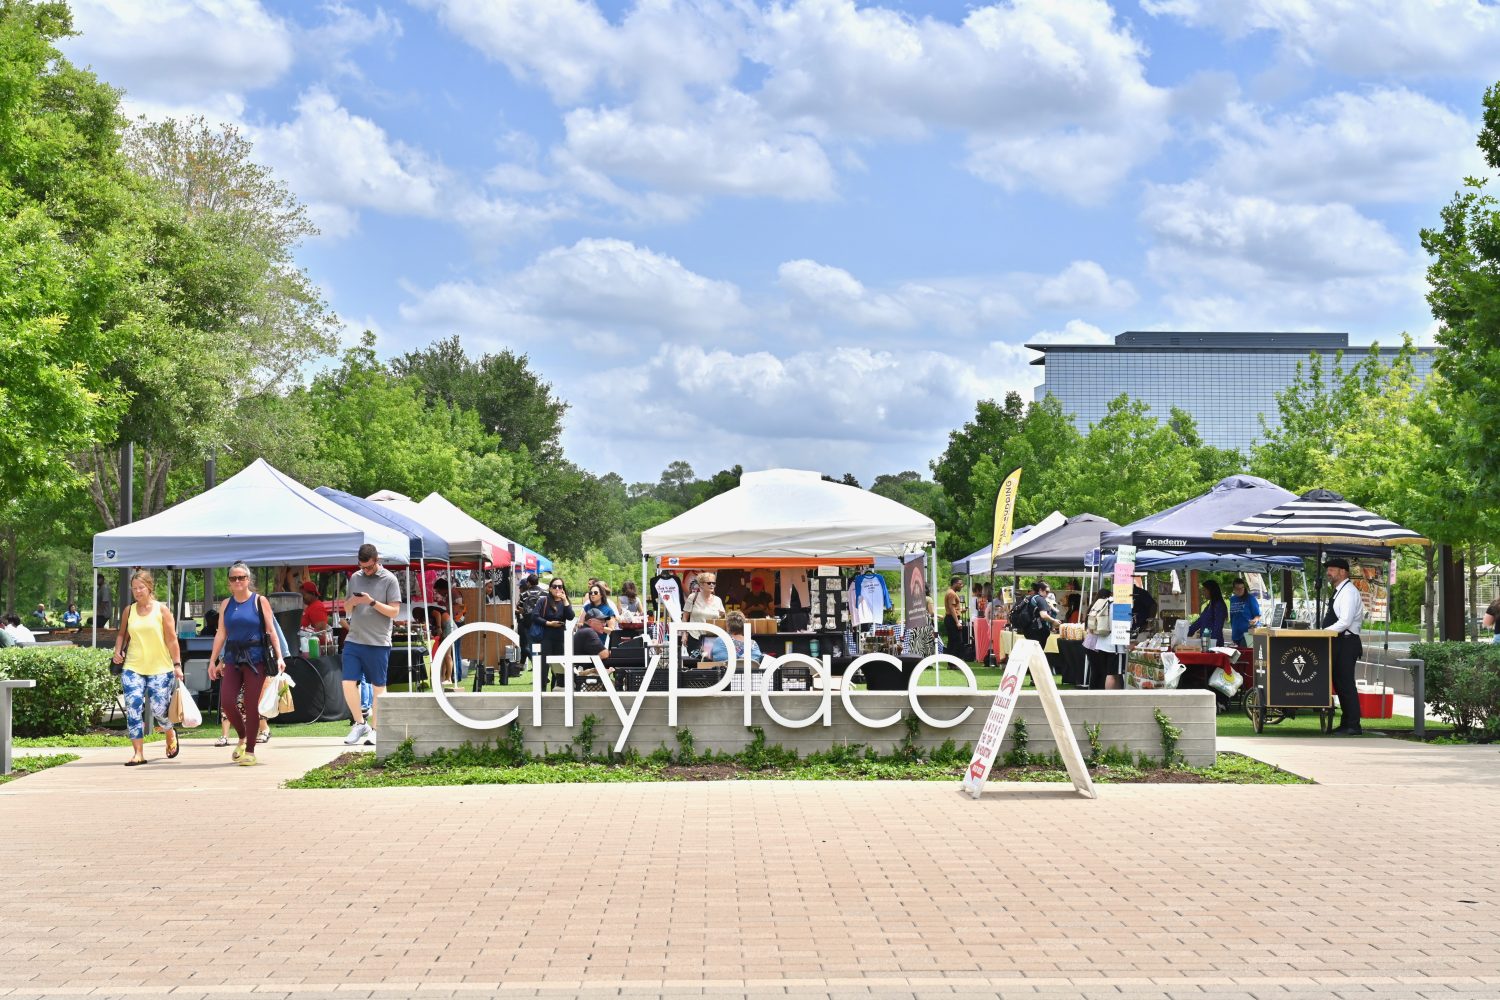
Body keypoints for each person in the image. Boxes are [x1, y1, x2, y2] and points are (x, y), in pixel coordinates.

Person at [207, 562, 286, 766]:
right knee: (226, 701)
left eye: (241, 577)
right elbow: (221, 633)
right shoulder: (226, 604)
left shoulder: (260, 601)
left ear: (248, 580)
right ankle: (242, 736)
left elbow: (271, 631)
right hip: (232, 657)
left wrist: (279, 657)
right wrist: (213, 660)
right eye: (234, 578)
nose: (238, 581)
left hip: (255, 657)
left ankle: (250, 750)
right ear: (229, 583)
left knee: (251, 705)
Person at [108, 570, 183, 767]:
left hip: (160, 667)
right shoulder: (129, 610)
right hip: (133, 667)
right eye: (134, 589)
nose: (138, 592)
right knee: (133, 707)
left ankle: (169, 731)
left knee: (159, 710)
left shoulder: (162, 610)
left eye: (141, 588)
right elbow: (122, 634)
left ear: (150, 588)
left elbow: (172, 639)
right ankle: (138, 753)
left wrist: (177, 664)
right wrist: (118, 651)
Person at [341, 544, 401, 746]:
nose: (365, 571)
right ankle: (359, 723)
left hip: (378, 642)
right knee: (347, 682)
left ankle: (376, 729)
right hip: (354, 639)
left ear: (377, 560)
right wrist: (353, 603)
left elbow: (394, 612)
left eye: (368, 567)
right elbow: (347, 607)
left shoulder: (389, 579)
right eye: (362, 566)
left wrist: (372, 602)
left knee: (378, 687)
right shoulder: (355, 577)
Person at [1322, 557, 1366, 735]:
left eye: (1332, 569)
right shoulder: (1339, 590)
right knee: (1340, 684)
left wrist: (1323, 632)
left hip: (1347, 642)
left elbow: (1345, 621)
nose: (1328, 573)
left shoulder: (1348, 592)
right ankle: (1347, 722)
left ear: (1342, 572)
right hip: (1339, 641)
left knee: (1346, 684)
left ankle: (1353, 725)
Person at [534, 578, 575, 690]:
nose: (557, 589)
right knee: (543, 667)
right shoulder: (543, 600)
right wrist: (548, 623)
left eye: (560, 586)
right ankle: (541, 691)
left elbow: (571, 616)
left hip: (560, 638)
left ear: (563, 589)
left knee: (558, 667)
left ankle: (556, 690)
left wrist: (565, 600)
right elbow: (535, 616)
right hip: (546, 637)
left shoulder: (564, 602)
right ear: (550, 588)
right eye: (555, 586)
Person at [1186, 580, 1229, 645]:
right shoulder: (1210, 605)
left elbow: (1218, 627)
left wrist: (1212, 643)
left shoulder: (1219, 605)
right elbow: (1199, 621)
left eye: (1205, 590)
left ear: (1212, 591)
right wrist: (1186, 632)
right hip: (1206, 642)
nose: (1203, 592)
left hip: (1214, 644)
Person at [516, 574, 546, 666]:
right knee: (543, 649)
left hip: (529, 624)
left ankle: (537, 670)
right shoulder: (545, 594)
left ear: (528, 583)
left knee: (532, 648)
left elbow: (520, 609)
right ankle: (543, 671)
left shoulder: (524, 595)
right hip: (542, 624)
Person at [1229, 579, 1262, 646]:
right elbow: (1232, 617)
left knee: (1245, 655)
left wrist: (1254, 621)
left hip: (1247, 634)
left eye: (1242, 588)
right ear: (1234, 589)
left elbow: (1258, 615)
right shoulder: (1232, 599)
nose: (1240, 590)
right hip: (1235, 634)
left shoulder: (1250, 598)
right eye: (1237, 588)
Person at [942, 576, 965, 659]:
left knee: (952, 641)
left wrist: (960, 610)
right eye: (960, 584)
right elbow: (951, 608)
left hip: (951, 618)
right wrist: (957, 622)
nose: (961, 585)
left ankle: (951, 663)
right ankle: (953, 662)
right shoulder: (951, 593)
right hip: (952, 619)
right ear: (954, 584)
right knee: (957, 641)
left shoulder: (950, 592)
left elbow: (953, 608)